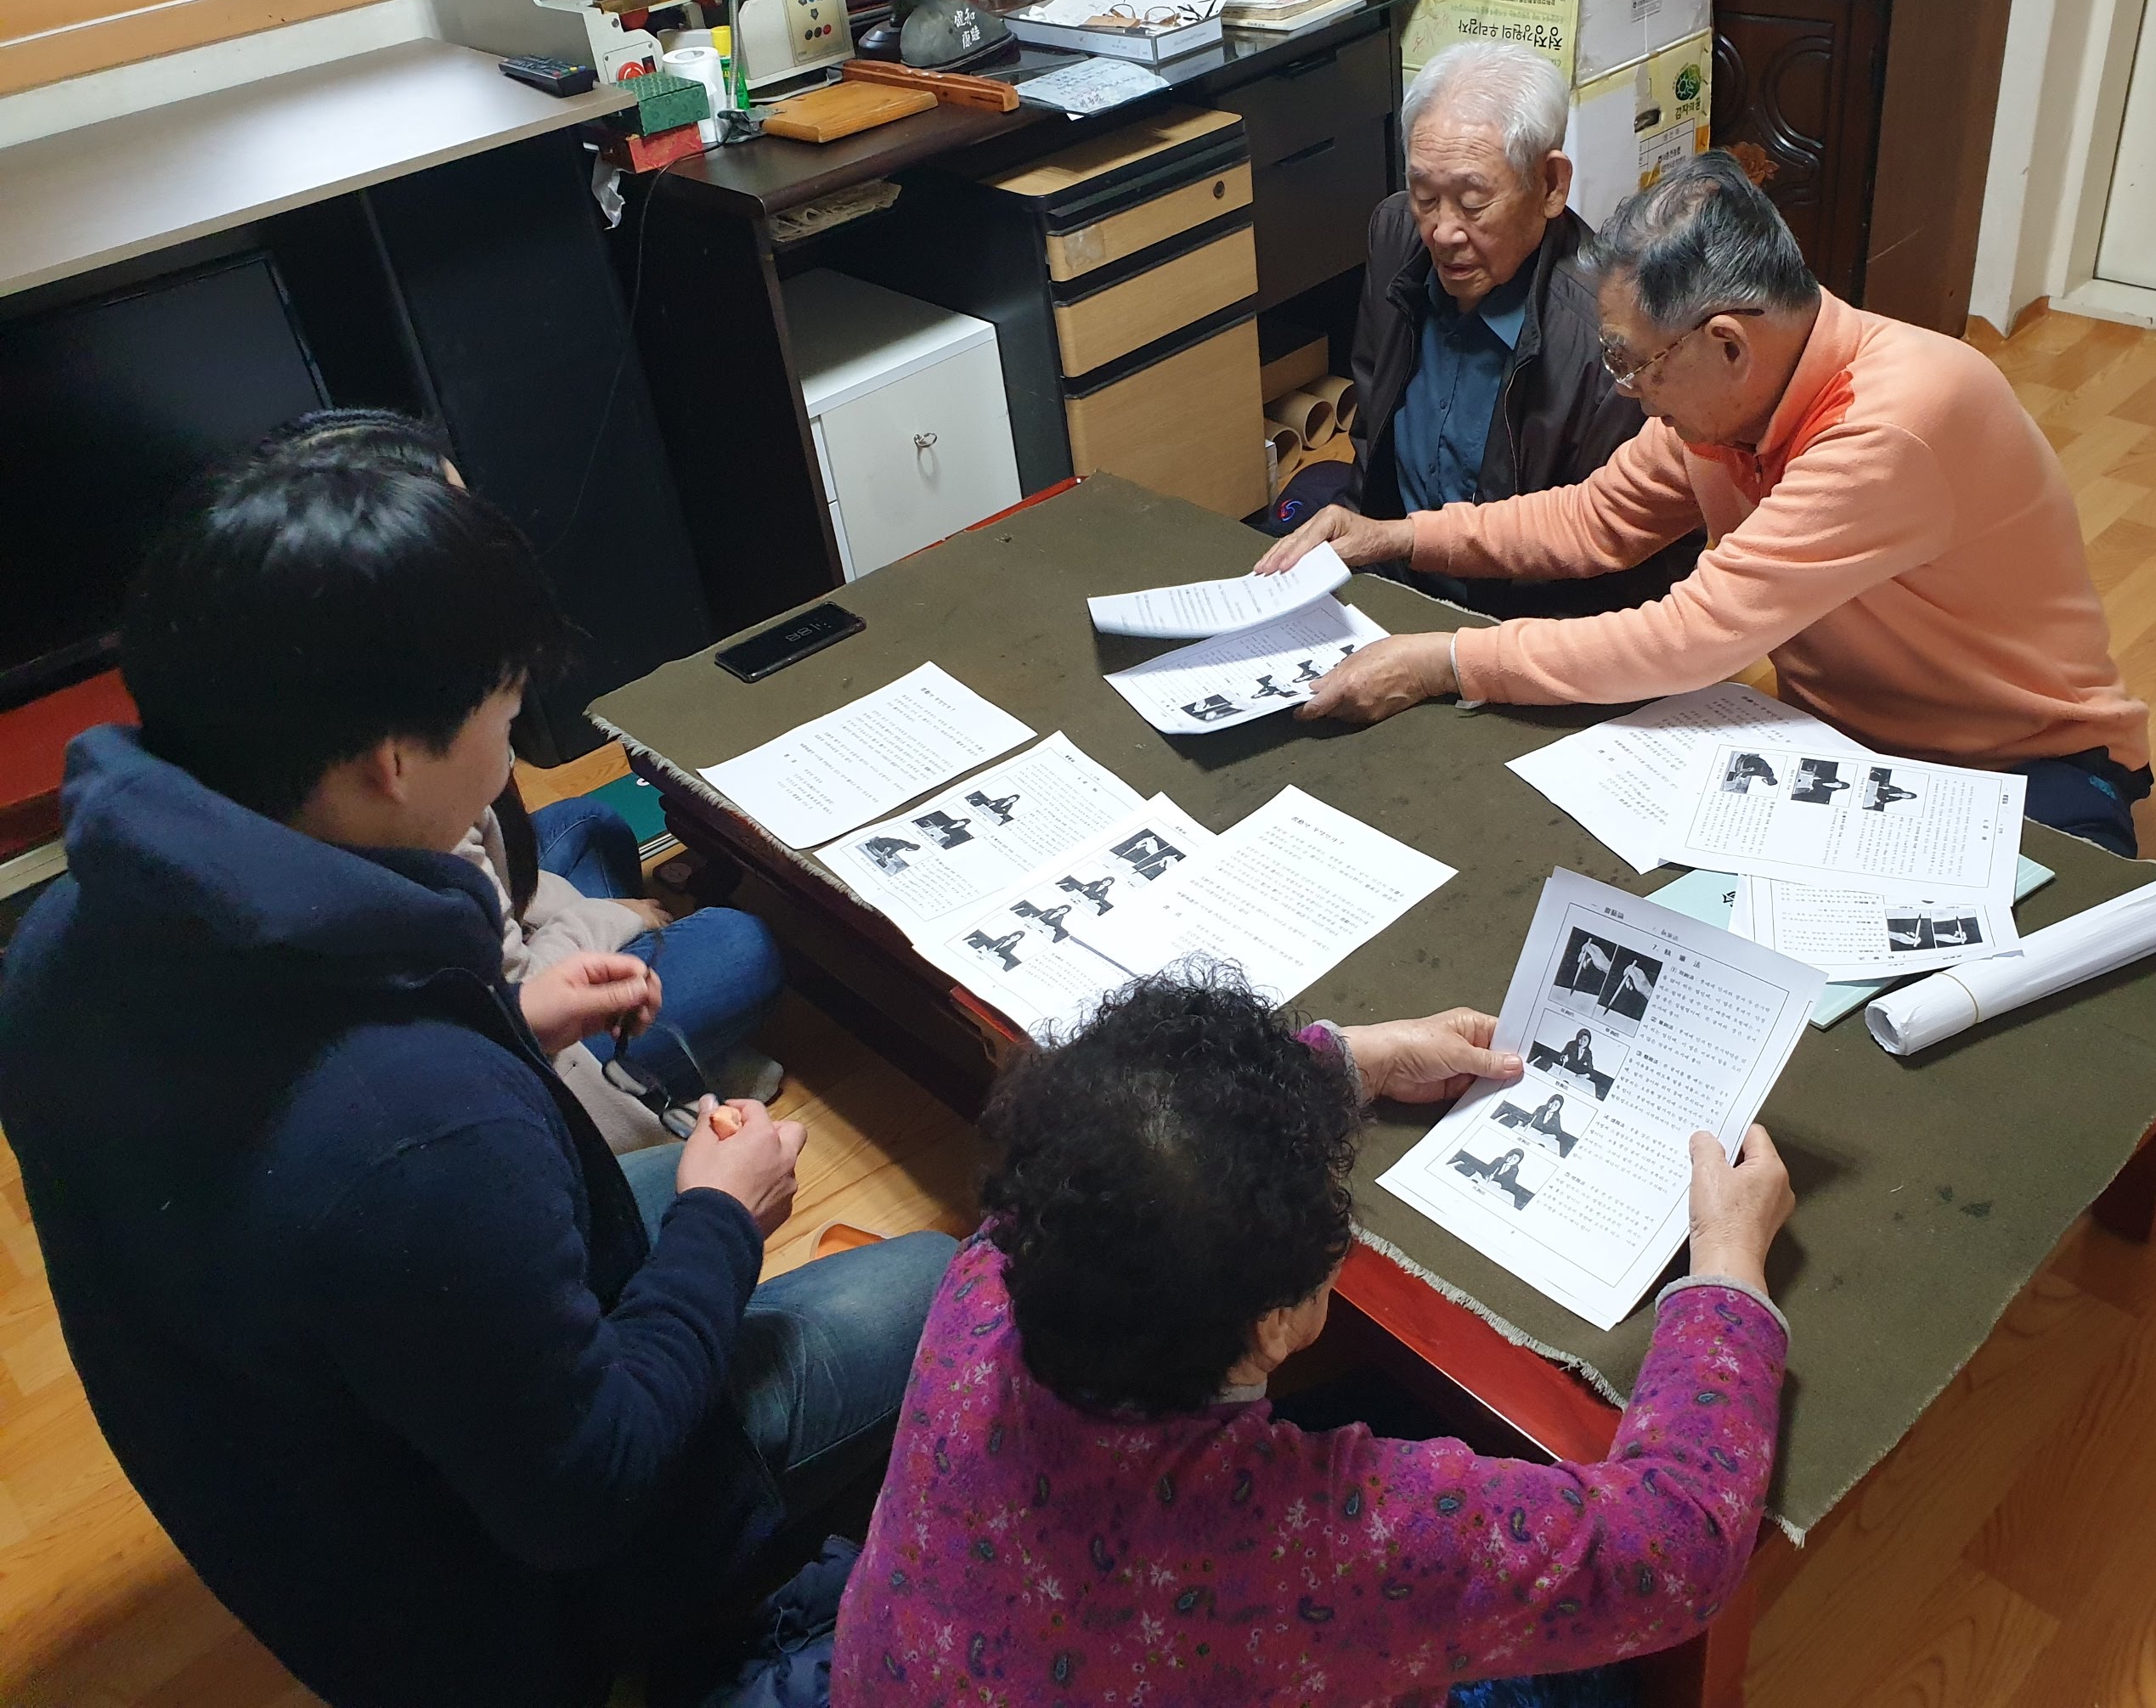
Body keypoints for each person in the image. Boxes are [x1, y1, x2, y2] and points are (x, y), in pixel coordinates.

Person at [0, 446, 956, 1707]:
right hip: (497, 1611)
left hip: (300, 1486)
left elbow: (329, 1189)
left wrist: (513, 1023)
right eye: (505, 721)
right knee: (940, 1279)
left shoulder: (61, 937)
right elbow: (589, 1488)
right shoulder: (417, 1132)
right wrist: (723, 1220)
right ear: (392, 764)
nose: (510, 760)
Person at [831, 975, 1796, 1702]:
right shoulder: (1325, 1539)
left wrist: (1349, 1062)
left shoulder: (996, 1271)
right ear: (1275, 1324)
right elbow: (1676, 1553)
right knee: (1599, 1683)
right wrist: (1725, 1266)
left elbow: (1126, 1132)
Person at [1263, 151, 2154, 856]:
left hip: (2016, 762)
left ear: (1727, 343)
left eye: (1631, 363)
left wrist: (1446, 660)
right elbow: (1596, 520)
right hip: (1834, 744)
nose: (1628, 392)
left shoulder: (1891, 424)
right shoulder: (1733, 400)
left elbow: (1691, 636)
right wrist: (1397, 536)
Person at [253, 409, 787, 1149]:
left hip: (500, 961)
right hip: (532, 1043)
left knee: (590, 827)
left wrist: (586, 918)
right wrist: (614, 922)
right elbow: (519, 1009)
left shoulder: (328, 715)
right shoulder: (412, 838)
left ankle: (672, 1042)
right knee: (740, 945)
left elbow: (504, 889)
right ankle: (675, 1069)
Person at [1340, 43, 1697, 619]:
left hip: (1521, 626)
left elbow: (1625, 565)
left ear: (1551, 186)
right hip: (1392, 582)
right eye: (1425, 196)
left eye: (1473, 202)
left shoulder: (1612, 334)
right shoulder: (1395, 234)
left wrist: (1469, 651)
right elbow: (1371, 430)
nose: (1442, 232)